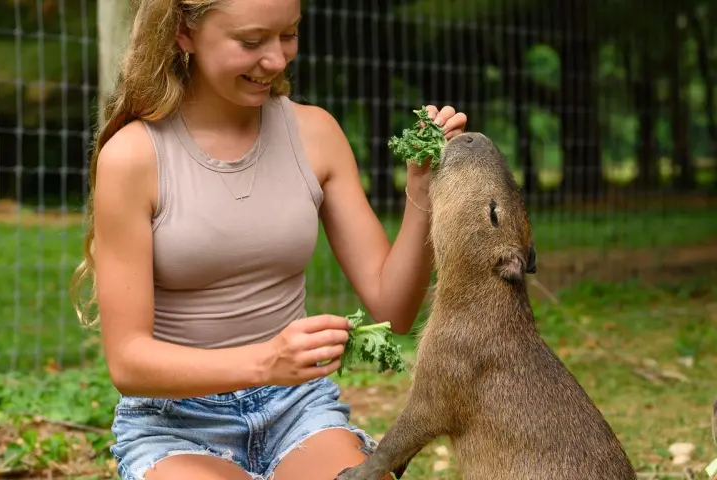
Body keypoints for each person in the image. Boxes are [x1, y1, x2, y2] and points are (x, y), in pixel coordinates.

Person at [71, 0, 467, 479]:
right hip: (175, 423)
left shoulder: (315, 133)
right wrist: (265, 361)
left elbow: (393, 308)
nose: (278, 60)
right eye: (251, 41)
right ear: (184, 32)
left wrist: (421, 192)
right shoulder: (133, 157)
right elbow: (129, 362)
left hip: (297, 409)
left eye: (289, 34)